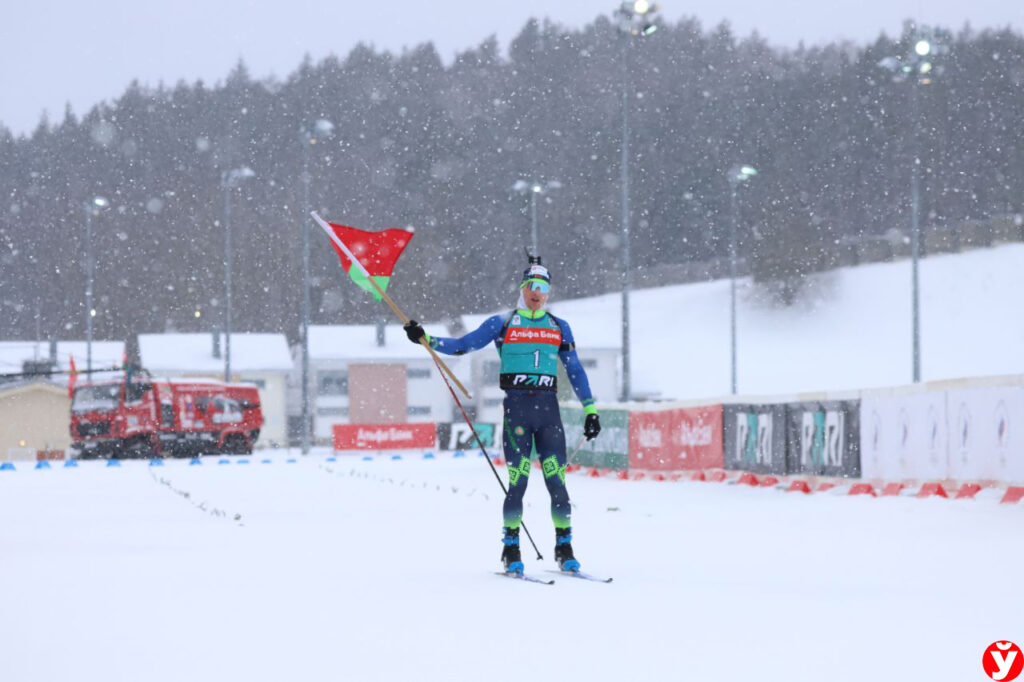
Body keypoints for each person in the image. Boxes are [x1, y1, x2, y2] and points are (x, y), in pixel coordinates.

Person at [404, 259, 601, 574]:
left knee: (558, 482)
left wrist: (591, 410)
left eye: (544, 288)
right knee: (518, 482)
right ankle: (511, 548)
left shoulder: (559, 326)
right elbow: (464, 345)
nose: (538, 293)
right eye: (532, 287)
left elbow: (574, 370)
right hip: (518, 411)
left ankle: (564, 548)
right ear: (522, 288)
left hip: (548, 412)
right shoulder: (503, 322)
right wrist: (426, 338)